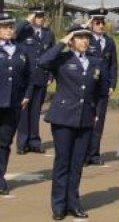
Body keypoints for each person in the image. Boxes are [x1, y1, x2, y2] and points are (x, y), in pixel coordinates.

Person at [39, 24, 105, 220]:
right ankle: (59, 205)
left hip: (85, 118)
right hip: (63, 117)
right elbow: (43, 61)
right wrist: (62, 42)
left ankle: (73, 203)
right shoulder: (62, 58)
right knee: (62, 163)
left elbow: (102, 90)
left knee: (77, 164)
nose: (84, 41)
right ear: (72, 40)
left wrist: (95, 111)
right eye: (79, 38)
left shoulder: (95, 62)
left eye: (87, 38)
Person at [0, 10, 33, 196]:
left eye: (10, 26)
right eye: (4, 26)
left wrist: (27, 95)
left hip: (13, 104)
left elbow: (29, 76)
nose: (8, 30)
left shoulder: (21, 50)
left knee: (4, 142)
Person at [14, 7, 54, 155]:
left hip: (41, 77)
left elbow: (51, 55)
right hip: (25, 78)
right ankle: (22, 143)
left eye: (42, 16)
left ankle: (34, 141)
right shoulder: (24, 32)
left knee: (36, 112)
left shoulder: (48, 34)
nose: (40, 18)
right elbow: (15, 32)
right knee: (24, 111)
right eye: (37, 16)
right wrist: (27, 21)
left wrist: (51, 75)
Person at [84, 8, 117, 166]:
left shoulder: (109, 41)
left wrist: (113, 84)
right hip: (88, 85)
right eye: (97, 22)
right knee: (86, 120)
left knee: (99, 122)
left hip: (103, 86)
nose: (101, 25)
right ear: (91, 23)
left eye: (103, 22)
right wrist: (85, 27)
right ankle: (83, 154)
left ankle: (94, 153)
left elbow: (113, 64)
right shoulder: (85, 38)